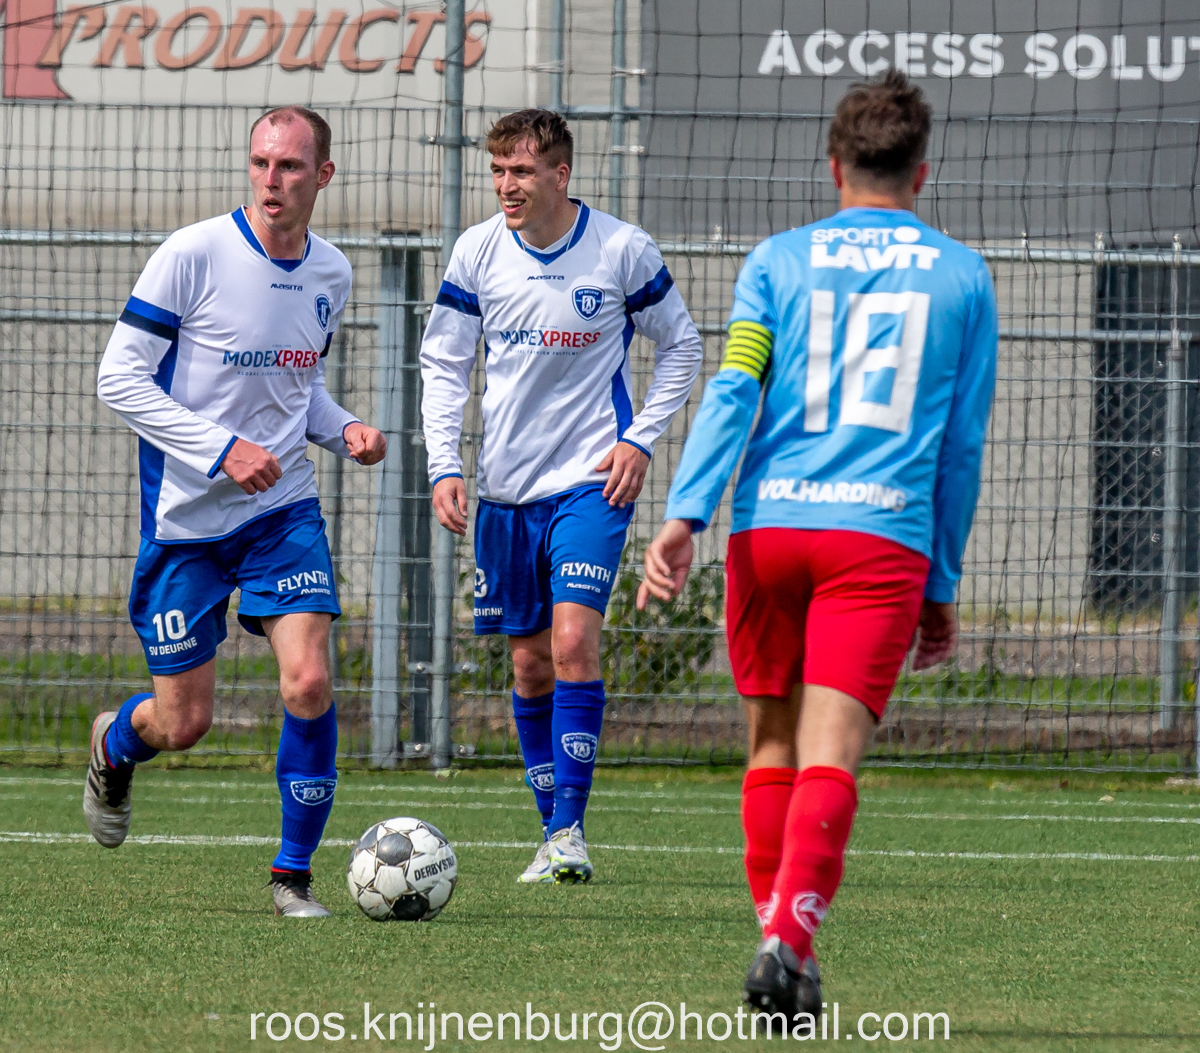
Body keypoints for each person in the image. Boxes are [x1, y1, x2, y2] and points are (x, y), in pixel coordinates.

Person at [638, 70, 997, 1017]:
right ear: (921, 174)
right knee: (831, 752)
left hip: (771, 530)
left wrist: (685, 513)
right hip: (877, 538)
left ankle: (782, 947)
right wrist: (942, 580)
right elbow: (960, 446)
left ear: (834, 167)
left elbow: (736, 387)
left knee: (771, 744)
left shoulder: (776, 261)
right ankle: (786, 944)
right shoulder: (964, 275)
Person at [88, 105, 386, 918]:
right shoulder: (193, 254)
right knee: (183, 724)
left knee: (309, 679)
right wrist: (221, 450)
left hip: (282, 513)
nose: (270, 180)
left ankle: (293, 876)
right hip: (186, 524)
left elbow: (299, 392)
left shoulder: (331, 273)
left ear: (323, 175)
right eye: (260, 163)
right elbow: (118, 379)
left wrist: (344, 428)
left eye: (289, 166)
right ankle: (115, 742)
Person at [420, 108, 702, 884]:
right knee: (530, 666)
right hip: (506, 491)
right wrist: (444, 464)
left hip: (590, 482)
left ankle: (570, 830)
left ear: (560, 174)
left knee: (574, 641)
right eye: (498, 171)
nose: (506, 185)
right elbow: (444, 364)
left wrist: (639, 437)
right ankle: (551, 831)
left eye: (521, 171)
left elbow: (682, 345)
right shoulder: (477, 251)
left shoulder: (620, 248)